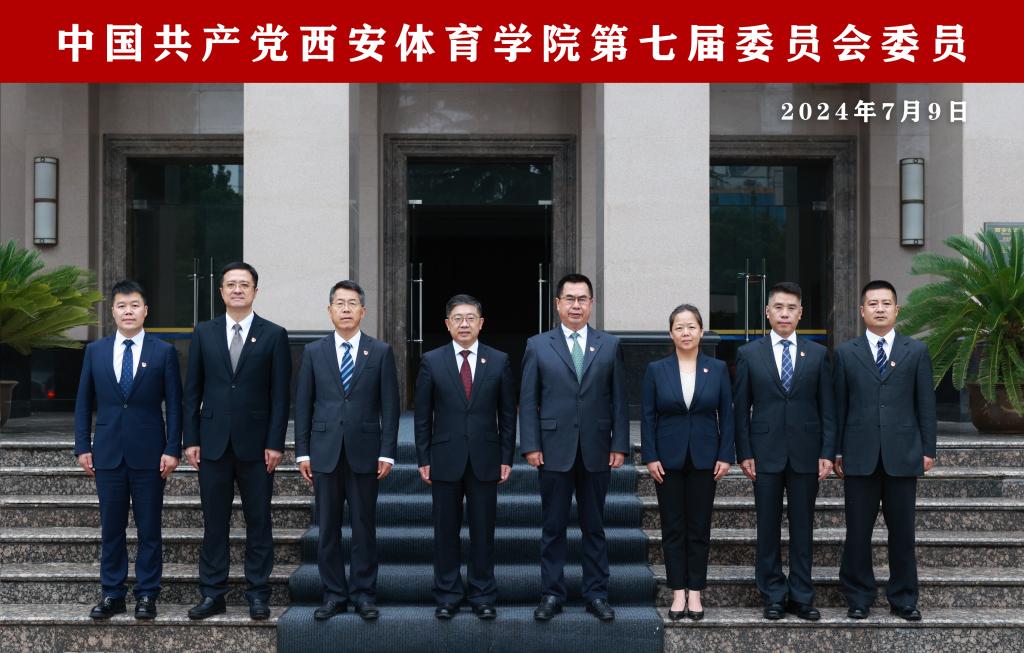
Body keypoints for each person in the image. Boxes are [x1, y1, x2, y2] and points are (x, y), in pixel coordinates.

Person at [183, 262, 291, 621]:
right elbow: (192, 391)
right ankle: (212, 593)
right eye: (231, 284)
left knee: (258, 521)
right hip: (212, 443)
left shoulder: (274, 335)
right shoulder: (204, 332)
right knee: (215, 523)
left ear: (255, 291)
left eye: (244, 284)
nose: (237, 290)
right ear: (221, 291)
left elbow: (280, 397)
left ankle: (257, 593)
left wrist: (276, 443)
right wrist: (190, 439)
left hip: (258, 447)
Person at [519, 273, 629, 622]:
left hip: (597, 448)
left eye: (582, 299)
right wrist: (530, 444)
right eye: (569, 299)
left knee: (594, 527)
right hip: (553, 448)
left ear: (591, 304)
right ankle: (552, 594)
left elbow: (619, 400)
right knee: (553, 528)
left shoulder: (609, 345)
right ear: (557, 304)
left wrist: (620, 444)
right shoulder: (538, 345)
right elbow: (528, 399)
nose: (576, 305)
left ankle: (596, 594)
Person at [73, 280, 182, 620]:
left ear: (145, 310)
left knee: (149, 529)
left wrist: (173, 448)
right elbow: (83, 403)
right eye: (122, 306)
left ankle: (147, 594)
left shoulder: (163, 352)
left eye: (135, 305)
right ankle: (112, 593)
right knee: (111, 529)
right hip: (107, 453)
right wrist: (82, 446)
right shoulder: (96, 351)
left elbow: (175, 405)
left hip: (150, 455)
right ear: (113, 311)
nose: (128, 311)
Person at [294, 280, 400, 621]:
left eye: (352, 303)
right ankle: (334, 595)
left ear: (363, 311)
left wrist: (387, 452)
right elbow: (303, 404)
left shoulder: (379, 351)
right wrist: (302, 452)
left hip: (365, 452)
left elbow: (391, 406)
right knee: (327, 529)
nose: (345, 309)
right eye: (339, 303)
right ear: (329, 311)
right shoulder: (314, 351)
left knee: (363, 526)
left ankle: (364, 594)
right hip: (324, 452)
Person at [733, 281, 837, 621]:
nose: (784, 314)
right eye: (778, 307)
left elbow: (828, 408)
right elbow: (740, 409)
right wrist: (744, 452)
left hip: (807, 453)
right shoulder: (749, 354)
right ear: (767, 312)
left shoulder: (817, 354)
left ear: (800, 313)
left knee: (803, 528)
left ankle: (802, 595)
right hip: (764, 453)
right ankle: (773, 594)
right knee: (767, 527)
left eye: (791, 308)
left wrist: (828, 451)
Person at [835, 280, 937, 621]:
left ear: (897, 310)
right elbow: (838, 407)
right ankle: (858, 596)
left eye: (886, 303)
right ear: (862, 311)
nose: (879, 309)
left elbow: (926, 404)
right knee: (857, 532)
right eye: (873, 303)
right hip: (858, 455)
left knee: (903, 533)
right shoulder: (846, 353)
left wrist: (928, 448)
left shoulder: (916, 351)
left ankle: (904, 597)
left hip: (903, 454)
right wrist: (836, 451)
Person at [414, 294, 516, 620]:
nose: (464, 324)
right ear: (447, 324)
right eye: (457, 318)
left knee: (483, 532)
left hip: (486, 457)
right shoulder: (432, 361)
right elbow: (422, 415)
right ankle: (447, 594)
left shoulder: (498, 360)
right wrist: (423, 457)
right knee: (445, 531)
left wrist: (507, 456)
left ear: (481, 323)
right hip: (444, 457)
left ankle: (482, 594)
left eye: (470, 318)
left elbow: (508, 414)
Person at [640, 304, 734, 621]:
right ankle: (677, 591)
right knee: (672, 528)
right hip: (667, 459)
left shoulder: (717, 369)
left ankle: (695, 591)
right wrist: (650, 456)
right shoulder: (656, 370)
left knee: (699, 527)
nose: (685, 332)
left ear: (701, 331)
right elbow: (648, 416)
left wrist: (726, 454)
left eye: (691, 326)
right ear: (671, 333)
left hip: (706, 458)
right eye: (679, 327)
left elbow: (727, 414)